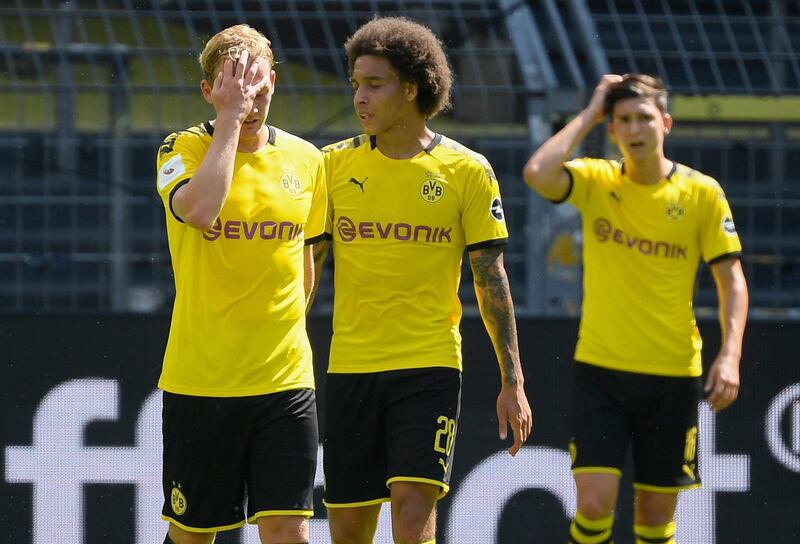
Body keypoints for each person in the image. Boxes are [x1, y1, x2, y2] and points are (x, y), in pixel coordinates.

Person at [308, 16, 533, 544]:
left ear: (412, 88)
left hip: (428, 364)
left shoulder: (467, 171)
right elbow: (308, 264)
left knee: (412, 518)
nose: (359, 98)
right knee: (348, 528)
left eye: (374, 84)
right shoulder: (331, 167)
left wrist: (513, 380)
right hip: (351, 366)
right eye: (355, 85)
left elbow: (489, 278)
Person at [523, 73, 749, 544]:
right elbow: (537, 173)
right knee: (592, 504)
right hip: (601, 372)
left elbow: (731, 280)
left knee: (653, 521)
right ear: (613, 130)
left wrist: (730, 355)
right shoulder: (595, 180)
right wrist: (590, 111)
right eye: (623, 119)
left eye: (644, 117)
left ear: (665, 123)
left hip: (673, 375)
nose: (635, 128)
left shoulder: (701, 193)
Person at [154, 24, 326, 544]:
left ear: (273, 80)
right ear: (209, 91)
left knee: (289, 531)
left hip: (285, 381)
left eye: (259, 88)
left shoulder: (307, 160)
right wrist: (229, 119)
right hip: (203, 381)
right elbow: (202, 210)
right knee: (193, 536)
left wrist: (280, 329)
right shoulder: (178, 148)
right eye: (236, 90)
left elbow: (308, 256)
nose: (251, 102)